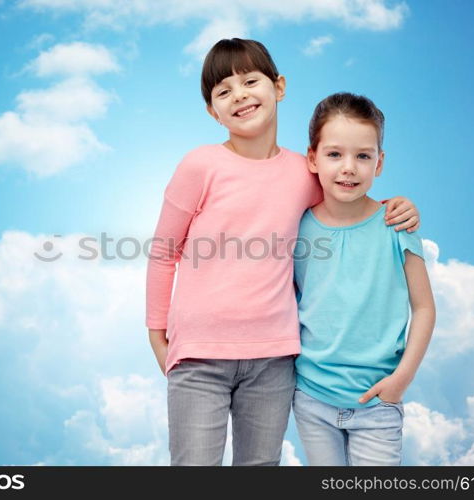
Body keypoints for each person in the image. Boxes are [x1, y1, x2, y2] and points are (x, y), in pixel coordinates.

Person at [146, 39, 420, 466]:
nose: (239, 94)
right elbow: (164, 251)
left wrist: (395, 205)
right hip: (198, 355)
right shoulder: (199, 166)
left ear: (279, 86)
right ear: (211, 111)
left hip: (274, 359)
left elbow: (345, 197)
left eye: (250, 81)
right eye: (223, 91)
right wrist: (156, 334)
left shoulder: (302, 171)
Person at [292, 92, 436, 466]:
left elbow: (423, 307)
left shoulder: (397, 225)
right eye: (335, 154)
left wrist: (401, 380)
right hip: (311, 399)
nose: (349, 168)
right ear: (312, 158)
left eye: (363, 156)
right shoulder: (296, 227)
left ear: (379, 162)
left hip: (377, 404)